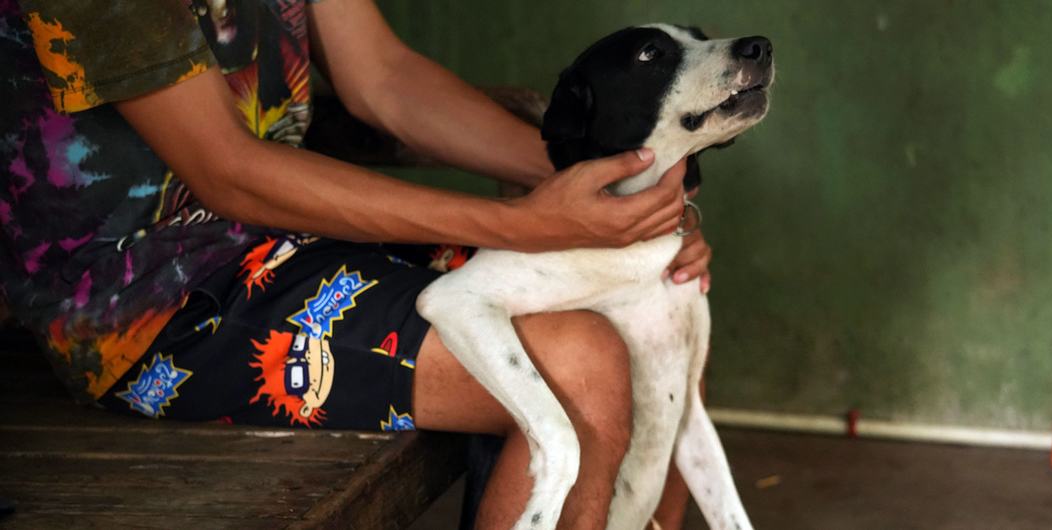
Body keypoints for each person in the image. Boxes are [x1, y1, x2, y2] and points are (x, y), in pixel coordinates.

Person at [0, 0, 712, 527]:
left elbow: (385, 78)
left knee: (653, 287)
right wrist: (525, 222)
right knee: (577, 360)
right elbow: (226, 171)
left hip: (294, 230)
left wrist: (616, 194)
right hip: (152, 302)